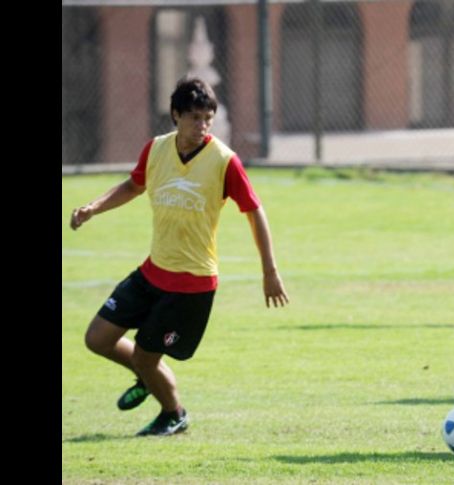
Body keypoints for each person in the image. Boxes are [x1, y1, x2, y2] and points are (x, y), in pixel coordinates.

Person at [69, 77, 289, 436]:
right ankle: (147, 376)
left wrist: (270, 271)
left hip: (191, 284)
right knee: (97, 338)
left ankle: (174, 413)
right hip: (152, 271)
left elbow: (254, 211)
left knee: (145, 355)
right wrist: (94, 208)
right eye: (194, 117)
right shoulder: (156, 149)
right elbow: (133, 186)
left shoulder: (223, 161)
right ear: (175, 115)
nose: (202, 125)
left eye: (208, 118)